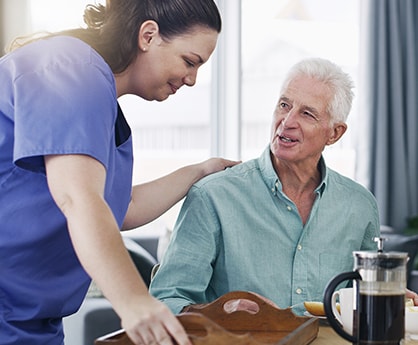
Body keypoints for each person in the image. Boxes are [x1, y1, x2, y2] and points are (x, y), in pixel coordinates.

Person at [0, 1, 240, 344]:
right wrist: (134, 301)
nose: (191, 79)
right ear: (148, 35)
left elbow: (120, 207)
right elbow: (78, 198)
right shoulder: (72, 70)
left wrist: (201, 171)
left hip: (31, 321)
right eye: (189, 62)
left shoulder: (100, 105)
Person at [150, 57, 418, 316]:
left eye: (307, 114)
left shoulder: (359, 205)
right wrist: (219, 312)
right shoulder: (213, 196)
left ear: (334, 133)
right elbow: (166, 299)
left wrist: (387, 297)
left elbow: (360, 296)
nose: (287, 121)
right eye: (284, 105)